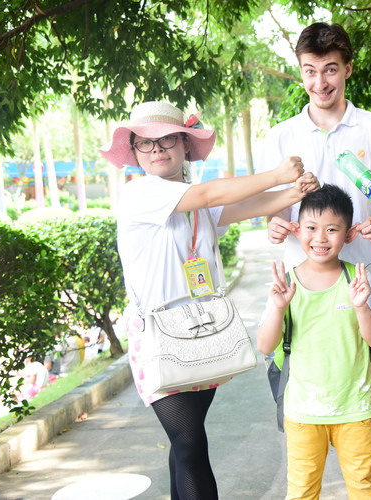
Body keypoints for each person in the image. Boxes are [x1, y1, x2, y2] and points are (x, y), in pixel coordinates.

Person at [100, 100, 319, 500]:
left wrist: (294, 191)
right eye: (145, 143)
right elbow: (206, 194)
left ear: (185, 144)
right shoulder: (140, 193)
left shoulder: (193, 202)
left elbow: (245, 207)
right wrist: (275, 175)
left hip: (204, 332)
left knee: (185, 445)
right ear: (134, 152)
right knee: (190, 445)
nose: (156, 148)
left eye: (167, 138)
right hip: (158, 338)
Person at [256, 22, 371, 500]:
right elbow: (270, 207)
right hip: (300, 289)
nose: (320, 82)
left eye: (330, 70)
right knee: (300, 390)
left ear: (347, 70)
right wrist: (274, 224)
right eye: (310, 71)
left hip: (362, 283)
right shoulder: (281, 136)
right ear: (300, 71)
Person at [257, 184, 371, 499]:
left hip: (355, 408)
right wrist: (278, 307)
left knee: (364, 488)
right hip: (303, 411)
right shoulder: (286, 283)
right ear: (296, 230)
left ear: (349, 234)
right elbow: (265, 345)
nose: (320, 238)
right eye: (312, 228)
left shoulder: (358, 280)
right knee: (302, 491)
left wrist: (361, 306)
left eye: (332, 229)